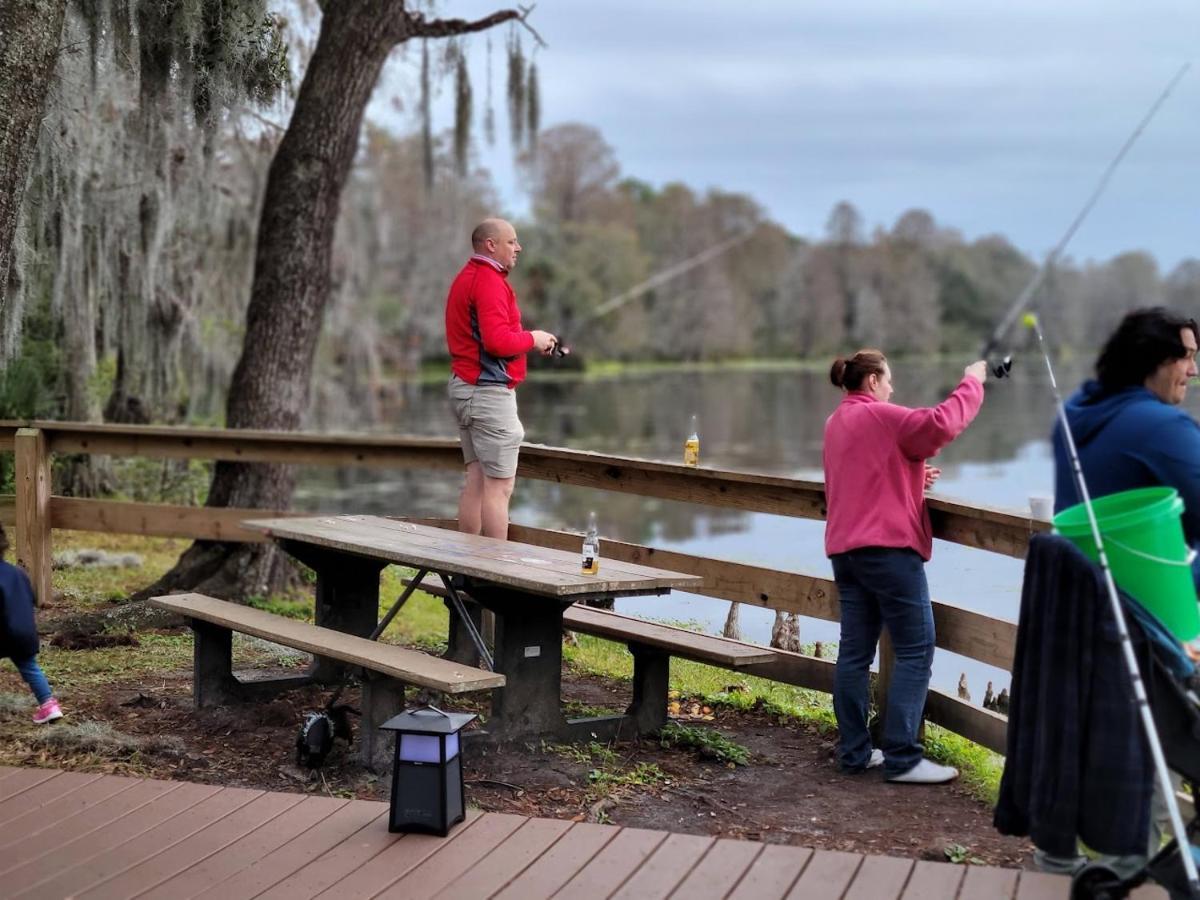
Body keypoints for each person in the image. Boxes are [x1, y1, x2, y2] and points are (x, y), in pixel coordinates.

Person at [823, 350, 987, 784]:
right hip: (888, 553)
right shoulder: (880, 415)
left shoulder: (837, 422)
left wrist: (912, 474)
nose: (893, 388)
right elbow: (939, 425)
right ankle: (902, 758)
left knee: (854, 654)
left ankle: (855, 753)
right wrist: (972, 381)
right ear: (873, 380)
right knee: (916, 648)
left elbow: (866, 474)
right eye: (889, 380)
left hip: (847, 553)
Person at [1053, 307, 1200, 562]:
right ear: (1153, 359)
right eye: (1186, 357)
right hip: (1143, 593)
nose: (1194, 370)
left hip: (1076, 591)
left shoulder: (1073, 414)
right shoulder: (1163, 426)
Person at [445, 218, 557, 539]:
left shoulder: (465, 277)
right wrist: (533, 338)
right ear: (490, 245)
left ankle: (469, 566)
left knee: (477, 480)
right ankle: (494, 576)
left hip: (464, 388)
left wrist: (529, 338)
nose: (518, 248)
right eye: (512, 242)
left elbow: (488, 338)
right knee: (500, 487)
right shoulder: (489, 281)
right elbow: (496, 342)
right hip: (488, 395)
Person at [0, 524, 63, 724]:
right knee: (30, 668)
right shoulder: (18, 573)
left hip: (2, 631)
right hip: (25, 633)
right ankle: (49, 706)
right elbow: (31, 599)